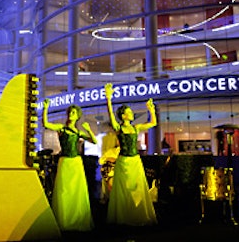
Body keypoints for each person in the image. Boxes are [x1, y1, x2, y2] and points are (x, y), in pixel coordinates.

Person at [104, 82, 157, 226]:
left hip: (135, 161)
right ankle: (126, 217)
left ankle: (138, 216)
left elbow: (153, 123)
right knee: (124, 189)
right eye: (129, 111)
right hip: (123, 161)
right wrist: (108, 98)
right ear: (123, 115)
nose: (132, 113)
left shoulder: (136, 127)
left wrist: (151, 109)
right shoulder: (118, 127)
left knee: (138, 187)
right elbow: (110, 114)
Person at [42, 98, 97, 232]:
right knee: (64, 190)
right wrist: (45, 108)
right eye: (70, 112)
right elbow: (46, 124)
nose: (71, 115)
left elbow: (94, 141)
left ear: (78, 116)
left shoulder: (78, 132)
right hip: (65, 161)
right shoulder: (62, 129)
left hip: (76, 162)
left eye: (74, 113)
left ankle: (77, 219)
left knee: (77, 191)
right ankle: (65, 220)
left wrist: (89, 130)